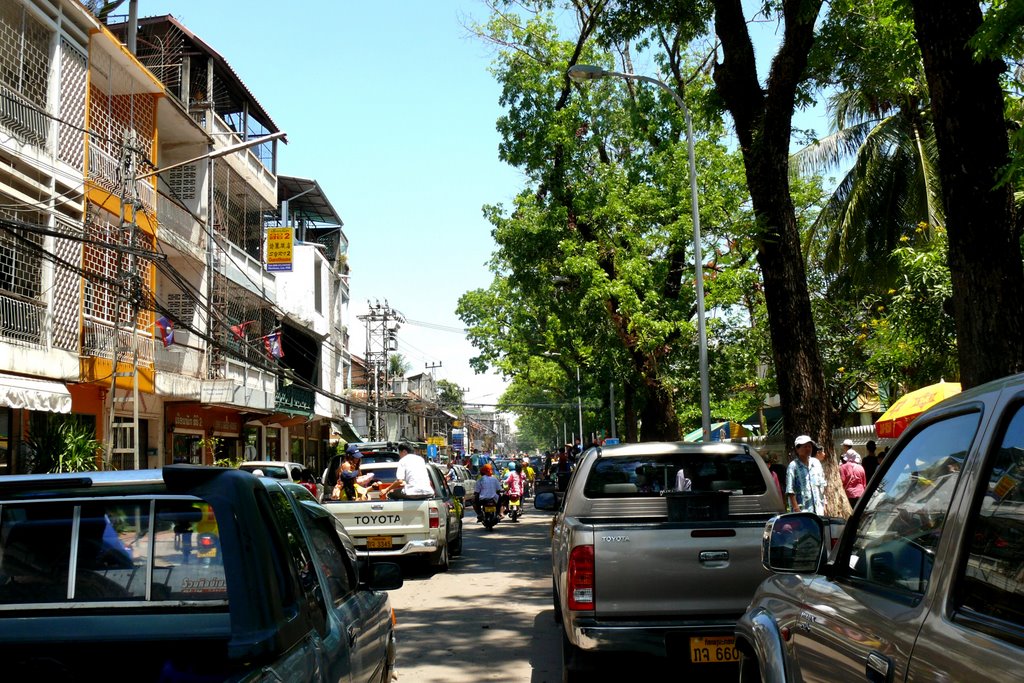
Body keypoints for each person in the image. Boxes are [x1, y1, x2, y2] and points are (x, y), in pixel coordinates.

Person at [786, 435, 824, 515]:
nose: (808, 449)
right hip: (802, 511)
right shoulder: (793, 466)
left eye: (809, 446)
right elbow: (790, 490)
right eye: (805, 446)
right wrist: (796, 509)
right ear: (797, 449)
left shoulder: (816, 463)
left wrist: (824, 505)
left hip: (818, 510)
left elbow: (822, 486)